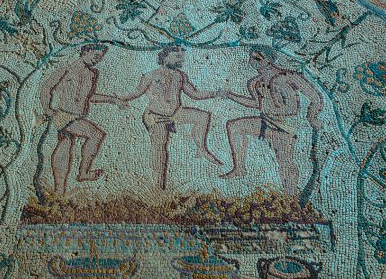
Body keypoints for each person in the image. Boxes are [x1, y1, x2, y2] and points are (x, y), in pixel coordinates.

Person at [117, 45, 225, 189]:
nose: (180, 61)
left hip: (176, 114)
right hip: (157, 116)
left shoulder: (179, 76)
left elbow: (194, 93)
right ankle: (158, 184)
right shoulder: (151, 75)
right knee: (159, 148)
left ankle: (201, 148)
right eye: (177, 57)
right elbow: (136, 92)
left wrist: (215, 93)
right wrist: (120, 99)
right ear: (165, 56)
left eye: (181, 58)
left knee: (202, 116)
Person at [222, 47, 323, 196]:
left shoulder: (287, 76)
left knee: (285, 162)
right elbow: (256, 104)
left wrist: (312, 117)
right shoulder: (255, 82)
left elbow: (313, 98)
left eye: (257, 58)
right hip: (267, 121)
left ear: (268, 60)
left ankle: (291, 197)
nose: (253, 61)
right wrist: (230, 95)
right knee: (234, 126)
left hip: (286, 125)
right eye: (251, 57)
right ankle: (239, 168)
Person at [38, 44, 122, 195]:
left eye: (100, 58)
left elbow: (90, 97)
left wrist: (112, 99)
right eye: (96, 56)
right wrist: (47, 109)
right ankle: (83, 173)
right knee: (96, 134)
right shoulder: (66, 69)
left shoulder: (92, 74)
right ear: (86, 51)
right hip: (64, 114)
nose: (98, 60)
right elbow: (46, 87)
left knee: (65, 145)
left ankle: (59, 191)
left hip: (77, 115)